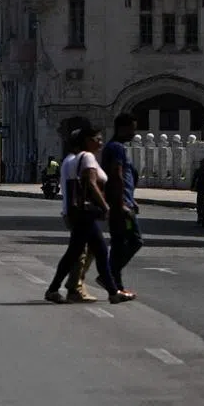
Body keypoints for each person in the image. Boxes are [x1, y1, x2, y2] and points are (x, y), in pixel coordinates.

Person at [45, 127, 121, 304]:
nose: (101, 142)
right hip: (85, 213)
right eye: (97, 139)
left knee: (88, 252)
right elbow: (91, 184)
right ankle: (111, 292)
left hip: (79, 213)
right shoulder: (87, 157)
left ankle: (111, 292)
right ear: (86, 140)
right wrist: (106, 207)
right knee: (89, 252)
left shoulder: (71, 160)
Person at [100, 112, 141, 301]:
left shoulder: (117, 147)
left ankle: (116, 286)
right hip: (120, 206)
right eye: (132, 129)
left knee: (119, 244)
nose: (134, 133)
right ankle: (109, 277)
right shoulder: (116, 148)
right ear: (122, 128)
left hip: (122, 203)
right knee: (134, 240)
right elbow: (116, 175)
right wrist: (122, 203)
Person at [57, 128, 92, 302]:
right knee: (80, 252)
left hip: (75, 212)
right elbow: (76, 189)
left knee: (83, 250)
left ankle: (74, 284)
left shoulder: (71, 160)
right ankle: (73, 286)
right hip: (76, 212)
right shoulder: (74, 162)